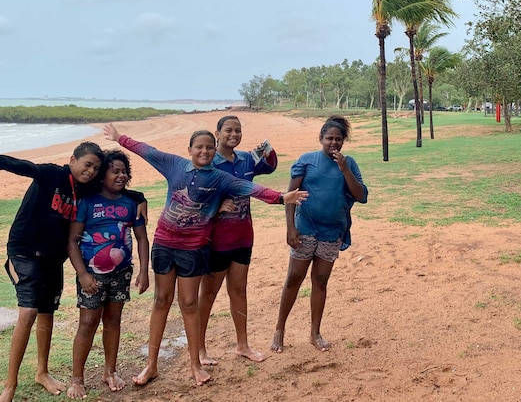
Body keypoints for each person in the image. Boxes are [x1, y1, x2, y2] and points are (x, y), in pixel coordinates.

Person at [102, 123, 308, 387]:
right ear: (189, 149)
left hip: (194, 248)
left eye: (209, 147)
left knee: (189, 304)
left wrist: (281, 198)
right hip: (165, 244)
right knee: (161, 301)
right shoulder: (174, 165)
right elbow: (147, 151)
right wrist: (121, 138)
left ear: (214, 151)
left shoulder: (220, 178)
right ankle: (151, 365)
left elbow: (251, 189)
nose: (205, 151)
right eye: (199, 147)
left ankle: (195, 365)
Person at [0, 140, 104, 402]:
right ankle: (10, 384)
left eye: (95, 168)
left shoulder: (87, 189)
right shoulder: (53, 174)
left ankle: (42, 372)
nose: (90, 171)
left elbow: (115, 185)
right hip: (24, 250)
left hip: (54, 258)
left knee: (46, 312)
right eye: (87, 164)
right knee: (29, 310)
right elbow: (23, 167)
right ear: (72, 160)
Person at [270, 115, 368, 353]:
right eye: (329, 138)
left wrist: (344, 169)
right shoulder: (307, 160)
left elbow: (361, 196)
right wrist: (290, 228)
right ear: (321, 139)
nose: (333, 143)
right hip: (305, 230)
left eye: (338, 139)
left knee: (320, 281)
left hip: (332, 232)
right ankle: (279, 330)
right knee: (294, 278)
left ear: (343, 141)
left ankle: (315, 333)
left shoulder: (349, 163)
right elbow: (290, 195)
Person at [66, 150, 150, 399]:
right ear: (102, 176)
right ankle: (77, 378)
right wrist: (82, 274)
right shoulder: (87, 202)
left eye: (125, 172)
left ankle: (110, 371)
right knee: (88, 323)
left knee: (113, 321)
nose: (122, 175)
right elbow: (72, 240)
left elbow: (142, 239)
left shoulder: (131, 203)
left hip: (121, 273)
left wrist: (144, 271)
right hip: (92, 275)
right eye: (116, 171)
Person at [198, 115, 277, 365]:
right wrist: (217, 204)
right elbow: (195, 198)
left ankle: (242, 345)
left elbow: (271, 165)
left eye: (238, 130)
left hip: (243, 236)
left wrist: (267, 148)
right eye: (228, 130)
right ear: (217, 133)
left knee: (239, 291)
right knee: (208, 295)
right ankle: (199, 349)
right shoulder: (208, 162)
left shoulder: (245, 160)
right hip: (215, 240)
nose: (233, 134)